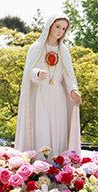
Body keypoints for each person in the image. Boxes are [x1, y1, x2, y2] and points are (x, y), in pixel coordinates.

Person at [14, 12, 82, 159]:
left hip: (58, 95)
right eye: (57, 26)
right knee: (41, 128)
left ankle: (57, 164)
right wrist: (37, 74)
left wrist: (73, 90)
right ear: (50, 26)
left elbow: (68, 75)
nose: (60, 31)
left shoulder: (64, 51)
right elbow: (28, 73)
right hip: (40, 94)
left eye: (63, 29)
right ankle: (40, 166)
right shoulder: (36, 47)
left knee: (58, 130)